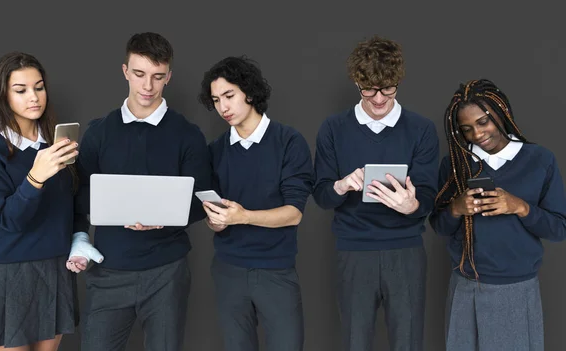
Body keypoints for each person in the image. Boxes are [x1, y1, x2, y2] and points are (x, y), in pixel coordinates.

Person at [69, 32, 211, 351]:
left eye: (158, 77)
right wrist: (80, 239)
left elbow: (203, 200)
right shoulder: (99, 133)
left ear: (168, 77)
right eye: (140, 74)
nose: (148, 86)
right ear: (125, 71)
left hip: (167, 272)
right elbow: (79, 197)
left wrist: (165, 217)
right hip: (108, 267)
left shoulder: (188, 135)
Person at [312, 36, 439, 351]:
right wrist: (341, 185)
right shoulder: (333, 128)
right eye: (369, 89)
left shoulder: (421, 129)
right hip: (353, 252)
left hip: (405, 251)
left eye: (388, 88)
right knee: (355, 340)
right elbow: (322, 195)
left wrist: (412, 205)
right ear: (357, 82)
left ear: (398, 82)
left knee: (408, 341)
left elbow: (429, 194)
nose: (379, 99)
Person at [429, 78, 566, 351]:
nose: (477, 135)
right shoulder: (456, 164)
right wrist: (456, 209)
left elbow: (559, 229)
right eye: (466, 129)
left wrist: (521, 207)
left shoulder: (539, 160)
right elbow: (439, 227)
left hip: (514, 289)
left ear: (501, 113)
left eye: (483, 122)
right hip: (464, 286)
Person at [198, 56, 314, 351]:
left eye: (229, 95)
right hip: (228, 271)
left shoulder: (289, 142)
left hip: (275, 271)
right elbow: (217, 214)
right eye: (216, 100)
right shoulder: (215, 151)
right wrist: (216, 220)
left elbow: (293, 214)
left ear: (249, 92)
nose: (223, 107)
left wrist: (243, 216)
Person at [0, 52, 80, 351]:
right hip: (9, 269)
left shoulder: (58, 145)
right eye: (21, 90)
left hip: (55, 268)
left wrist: (81, 242)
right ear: (3, 96)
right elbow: (10, 219)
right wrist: (35, 177)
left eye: (39, 87)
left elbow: (70, 207)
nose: (34, 97)